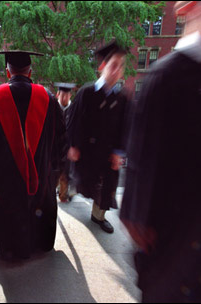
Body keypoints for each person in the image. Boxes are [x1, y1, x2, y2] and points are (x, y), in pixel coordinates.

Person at [120, 1, 201, 302]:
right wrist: (137, 212)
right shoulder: (167, 76)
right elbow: (142, 151)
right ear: (188, 7)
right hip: (170, 226)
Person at [0, 50, 67, 260]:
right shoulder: (48, 98)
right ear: (30, 72)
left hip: (4, 179)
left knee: (10, 211)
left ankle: (11, 250)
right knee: (39, 206)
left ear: (8, 72)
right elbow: (62, 139)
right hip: (41, 176)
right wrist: (53, 171)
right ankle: (39, 244)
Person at [67, 40, 130, 234]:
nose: (116, 70)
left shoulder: (122, 98)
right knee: (83, 180)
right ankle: (71, 188)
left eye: (120, 67)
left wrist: (120, 152)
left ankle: (98, 216)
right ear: (103, 66)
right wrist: (73, 145)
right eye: (113, 65)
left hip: (109, 151)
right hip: (86, 150)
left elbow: (125, 127)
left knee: (106, 186)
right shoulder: (86, 93)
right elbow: (73, 121)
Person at [54, 82, 77, 203]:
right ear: (57, 94)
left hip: (67, 148)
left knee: (65, 175)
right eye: (62, 95)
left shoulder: (74, 109)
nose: (64, 98)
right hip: (54, 148)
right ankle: (52, 195)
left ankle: (63, 196)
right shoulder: (52, 108)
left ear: (70, 96)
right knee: (53, 174)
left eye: (66, 95)